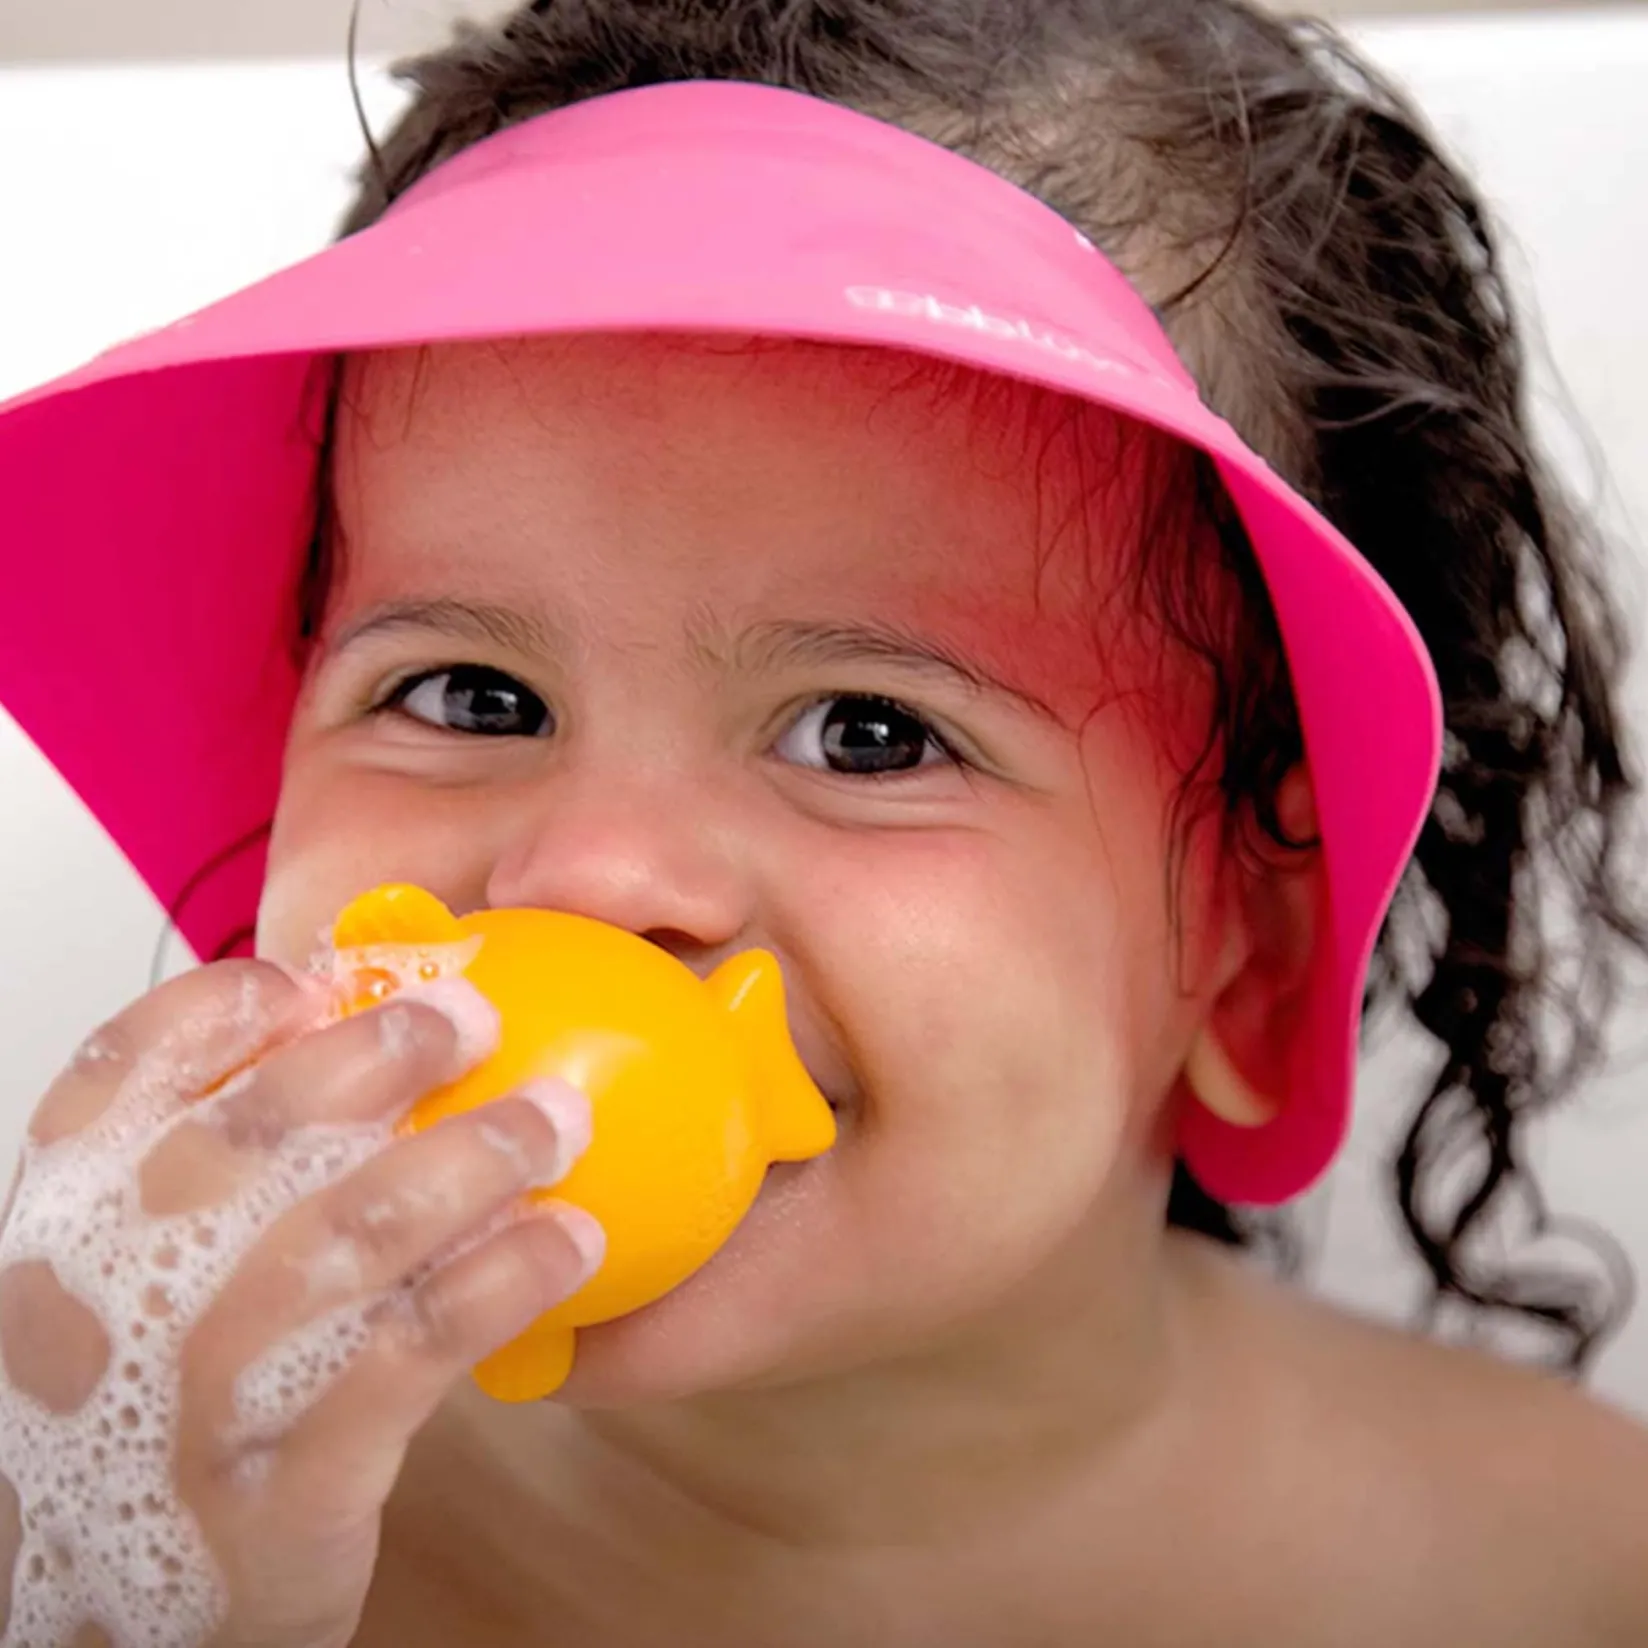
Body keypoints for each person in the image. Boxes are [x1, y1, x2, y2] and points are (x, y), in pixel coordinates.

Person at [0, 2, 1645, 1644]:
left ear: (1252, 940)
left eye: (870, 734)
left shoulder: (1566, 1572)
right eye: (472, 697)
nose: (591, 875)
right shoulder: (105, 1538)